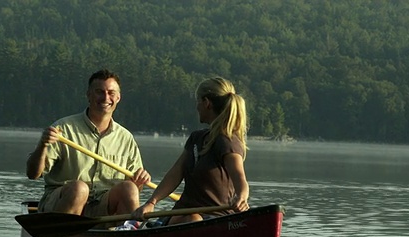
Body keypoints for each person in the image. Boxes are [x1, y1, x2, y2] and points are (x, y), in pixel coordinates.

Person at [26, 69, 151, 217]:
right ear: (89, 95)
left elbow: (135, 189)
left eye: (111, 93)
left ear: (118, 97)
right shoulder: (63, 129)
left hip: (101, 207)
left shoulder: (126, 138)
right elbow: (33, 174)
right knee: (80, 189)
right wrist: (43, 145)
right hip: (63, 203)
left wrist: (140, 182)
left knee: (129, 189)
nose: (105, 98)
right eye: (99, 92)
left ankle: (128, 235)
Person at [132, 76, 250, 225]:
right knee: (192, 218)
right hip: (183, 215)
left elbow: (240, 178)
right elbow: (175, 173)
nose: (197, 107)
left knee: (193, 219)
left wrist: (241, 197)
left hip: (216, 218)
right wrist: (151, 202)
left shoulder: (227, 141)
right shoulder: (196, 138)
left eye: (198, 102)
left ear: (206, 103)